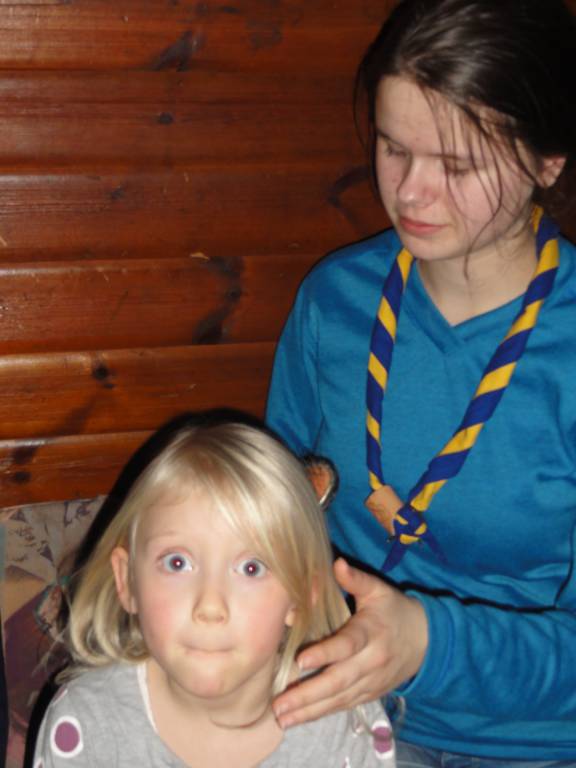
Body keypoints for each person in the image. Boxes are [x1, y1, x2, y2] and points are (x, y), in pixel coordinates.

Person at [266, 0, 576, 764]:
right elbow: (272, 514)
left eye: (458, 165)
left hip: (531, 744)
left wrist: (428, 644)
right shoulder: (334, 300)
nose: (410, 192)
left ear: (548, 162)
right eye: (393, 147)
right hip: (342, 711)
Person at [32, 417, 394, 767]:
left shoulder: (342, 725)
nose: (209, 606)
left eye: (251, 568)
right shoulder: (87, 723)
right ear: (127, 581)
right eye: (177, 563)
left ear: (300, 595)